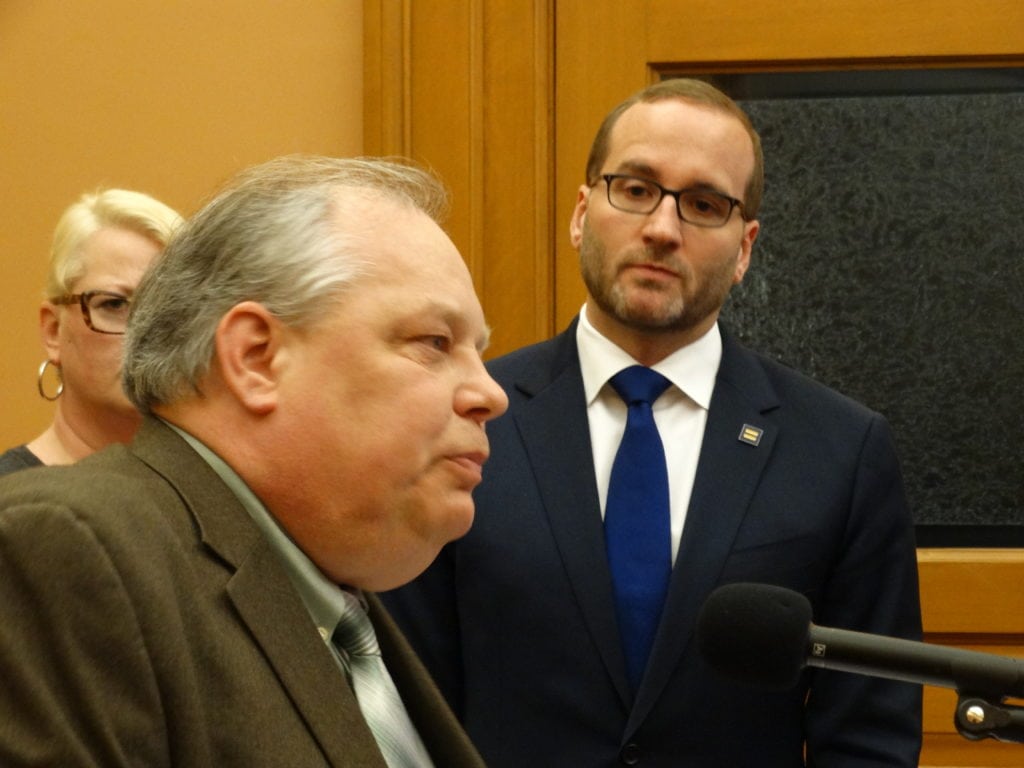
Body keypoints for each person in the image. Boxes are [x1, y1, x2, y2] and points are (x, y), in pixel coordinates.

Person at [382, 79, 923, 766]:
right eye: (635, 189)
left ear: (745, 248)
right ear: (582, 213)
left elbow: (870, 735)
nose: (663, 229)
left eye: (704, 205)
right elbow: (405, 704)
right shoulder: (466, 415)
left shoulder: (841, 451)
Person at [0, 155, 507, 766]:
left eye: (478, 351)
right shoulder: (61, 549)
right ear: (256, 358)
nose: (490, 393)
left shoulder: (337, 596)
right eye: (434, 342)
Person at [0, 188, 182, 476]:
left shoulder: (216, 492)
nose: (145, 334)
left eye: (168, 308)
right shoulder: (11, 496)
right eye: (115, 304)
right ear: (53, 331)